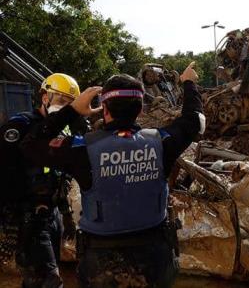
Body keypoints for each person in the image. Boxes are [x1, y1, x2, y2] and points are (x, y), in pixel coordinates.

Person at [20, 62, 204, 288]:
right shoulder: (162, 142)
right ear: (141, 109)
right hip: (155, 260)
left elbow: (29, 145)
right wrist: (188, 82)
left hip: (101, 264)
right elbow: (194, 120)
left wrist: (72, 110)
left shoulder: (81, 149)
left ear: (104, 109)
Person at [0, 73, 82, 288]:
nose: (65, 108)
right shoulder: (20, 126)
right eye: (61, 101)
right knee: (49, 280)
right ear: (45, 97)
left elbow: (58, 176)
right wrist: (10, 219)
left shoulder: (65, 131)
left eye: (70, 104)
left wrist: (66, 215)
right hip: (27, 217)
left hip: (51, 215)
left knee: (37, 280)